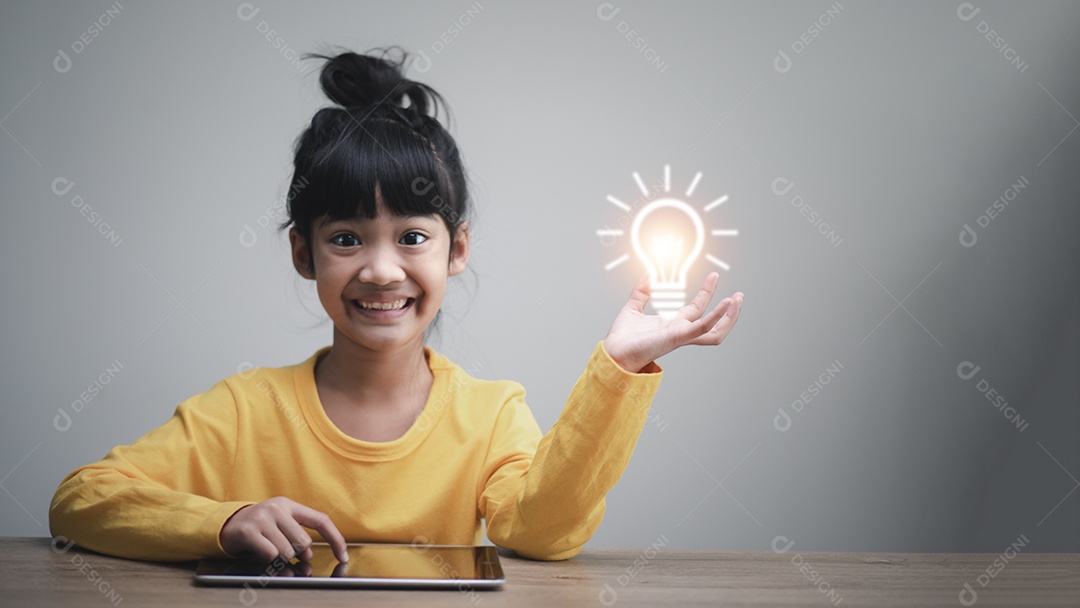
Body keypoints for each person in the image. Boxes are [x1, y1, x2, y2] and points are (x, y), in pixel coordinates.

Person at [49, 49, 744, 564]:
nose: (382, 270)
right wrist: (224, 523)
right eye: (346, 238)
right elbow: (79, 500)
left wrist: (617, 368)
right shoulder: (241, 409)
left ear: (457, 249)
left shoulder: (490, 415)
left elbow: (541, 531)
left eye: (413, 237)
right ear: (303, 254)